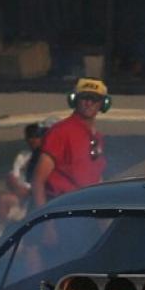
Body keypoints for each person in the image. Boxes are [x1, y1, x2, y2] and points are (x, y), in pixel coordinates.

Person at [30, 77, 109, 209]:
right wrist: (45, 218)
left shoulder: (98, 137)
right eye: (84, 98)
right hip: (63, 208)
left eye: (94, 99)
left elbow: (97, 178)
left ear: (103, 104)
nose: (89, 103)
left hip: (87, 209)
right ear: (74, 100)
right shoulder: (61, 131)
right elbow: (38, 180)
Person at [0, 122, 42, 243]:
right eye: (30, 136)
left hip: (35, 196)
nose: (33, 140)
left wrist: (27, 191)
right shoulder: (22, 156)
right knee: (3, 199)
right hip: (19, 194)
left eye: (37, 136)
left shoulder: (45, 156)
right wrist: (18, 188)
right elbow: (14, 176)